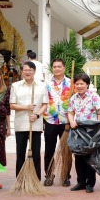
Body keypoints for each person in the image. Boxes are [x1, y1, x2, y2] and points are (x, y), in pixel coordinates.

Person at [67, 73, 100, 193]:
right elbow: (70, 112)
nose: (79, 86)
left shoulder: (93, 96)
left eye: (82, 84)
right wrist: (71, 122)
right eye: (77, 84)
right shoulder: (73, 98)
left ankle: (90, 183)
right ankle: (81, 182)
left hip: (91, 130)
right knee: (78, 156)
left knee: (90, 157)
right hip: (78, 130)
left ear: (87, 84)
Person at [10, 61, 47, 179]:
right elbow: (12, 105)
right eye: (25, 70)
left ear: (34, 72)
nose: (27, 72)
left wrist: (36, 115)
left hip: (35, 124)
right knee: (20, 152)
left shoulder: (42, 85)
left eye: (30, 70)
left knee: (36, 153)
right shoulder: (15, 86)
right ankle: (20, 179)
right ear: (22, 71)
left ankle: (36, 180)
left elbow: (45, 104)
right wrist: (26, 108)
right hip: (21, 124)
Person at [43, 58, 71, 186]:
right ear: (52, 69)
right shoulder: (46, 84)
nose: (57, 69)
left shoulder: (72, 83)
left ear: (64, 68)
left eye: (59, 66)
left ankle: (65, 176)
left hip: (66, 122)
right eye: (54, 67)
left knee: (66, 150)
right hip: (50, 120)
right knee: (49, 150)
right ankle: (49, 175)